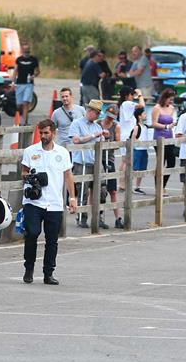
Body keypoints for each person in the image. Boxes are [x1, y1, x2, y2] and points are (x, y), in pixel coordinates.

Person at [22, 119, 77, 284]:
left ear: (54, 133)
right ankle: (29, 267)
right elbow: (23, 172)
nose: (43, 136)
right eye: (41, 133)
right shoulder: (30, 151)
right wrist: (33, 177)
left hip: (54, 202)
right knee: (32, 233)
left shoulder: (62, 152)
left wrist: (72, 198)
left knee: (52, 239)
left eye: (46, 133)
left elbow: (68, 176)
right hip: (34, 201)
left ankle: (48, 272)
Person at [69, 99, 106, 228]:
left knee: (102, 190)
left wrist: (103, 136)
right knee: (83, 191)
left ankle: (99, 217)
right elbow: (75, 140)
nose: (97, 116)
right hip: (82, 161)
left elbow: (101, 141)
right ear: (90, 111)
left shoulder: (97, 126)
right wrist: (93, 135)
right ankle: (82, 218)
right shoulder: (77, 124)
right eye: (96, 113)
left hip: (95, 161)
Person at [117, 86, 145, 191]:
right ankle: (123, 183)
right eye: (131, 94)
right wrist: (140, 94)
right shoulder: (127, 103)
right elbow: (142, 105)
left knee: (125, 160)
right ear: (127, 95)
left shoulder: (123, 105)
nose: (133, 97)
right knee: (127, 160)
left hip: (125, 134)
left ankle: (122, 183)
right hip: (127, 136)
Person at [99, 105, 123, 228]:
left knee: (112, 190)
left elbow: (118, 144)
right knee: (99, 190)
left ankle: (118, 218)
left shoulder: (116, 126)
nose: (109, 119)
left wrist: (109, 141)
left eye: (112, 117)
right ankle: (99, 216)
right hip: (98, 159)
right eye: (108, 116)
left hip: (109, 159)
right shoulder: (98, 124)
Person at [151, 88, 177, 188]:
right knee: (161, 162)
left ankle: (163, 185)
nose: (170, 101)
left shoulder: (171, 108)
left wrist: (172, 125)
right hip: (159, 137)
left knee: (171, 163)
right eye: (169, 99)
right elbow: (154, 123)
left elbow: (170, 121)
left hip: (169, 137)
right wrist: (166, 126)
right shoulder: (157, 108)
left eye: (172, 99)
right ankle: (158, 186)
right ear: (164, 98)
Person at [13, 44, 40, 125]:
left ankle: (24, 122)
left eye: (27, 50)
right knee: (19, 105)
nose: (26, 51)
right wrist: (13, 82)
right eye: (24, 50)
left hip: (29, 84)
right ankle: (23, 118)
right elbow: (15, 71)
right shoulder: (19, 59)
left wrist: (33, 76)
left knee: (26, 103)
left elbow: (38, 71)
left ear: (29, 50)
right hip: (19, 84)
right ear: (22, 50)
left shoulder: (33, 60)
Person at [130, 107, 149, 194]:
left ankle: (137, 187)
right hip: (138, 150)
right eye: (144, 114)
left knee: (142, 169)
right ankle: (131, 185)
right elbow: (133, 139)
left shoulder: (145, 126)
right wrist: (140, 143)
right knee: (135, 169)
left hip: (144, 150)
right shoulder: (137, 127)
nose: (146, 115)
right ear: (139, 116)